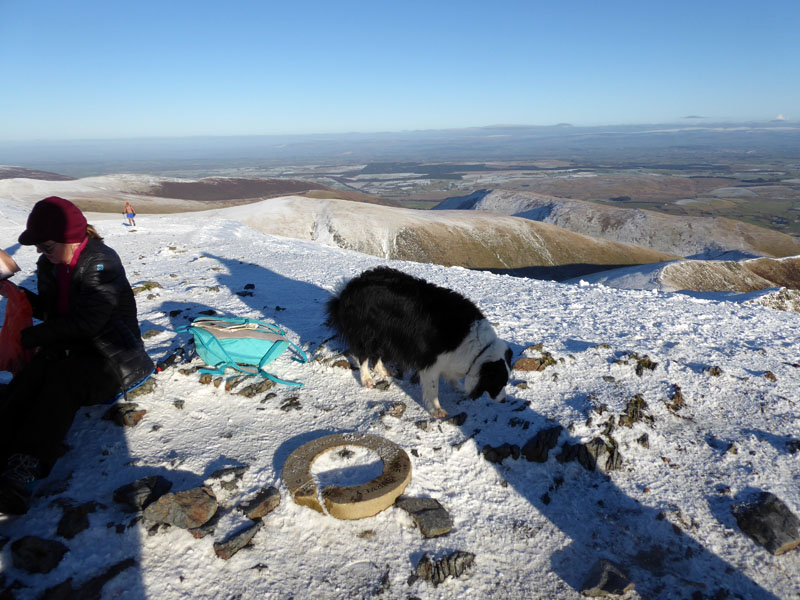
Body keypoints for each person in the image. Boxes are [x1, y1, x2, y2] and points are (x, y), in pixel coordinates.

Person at [0, 196, 153, 514]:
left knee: (61, 380)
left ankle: (23, 472)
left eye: (46, 245)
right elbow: (52, 311)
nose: (42, 253)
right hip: (72, 347)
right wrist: (14, 292)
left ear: (71, 238)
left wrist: (34, 336)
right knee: (32, 375)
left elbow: (90, 322)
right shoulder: (51, 265)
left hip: (112, 359)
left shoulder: (101, 262)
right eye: (38, 247)